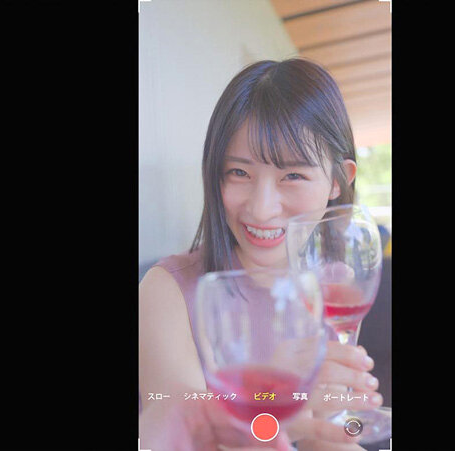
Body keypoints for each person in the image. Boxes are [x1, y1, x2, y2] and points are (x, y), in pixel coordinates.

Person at [139, 58, 383, 451]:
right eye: (239, 173)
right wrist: (282, 412)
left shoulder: (329, 284)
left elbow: (329, 436)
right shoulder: (166, 291)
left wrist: (328, 419)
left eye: (293, 175)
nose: (262, 209)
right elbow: (187, 441)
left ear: (338, 181)